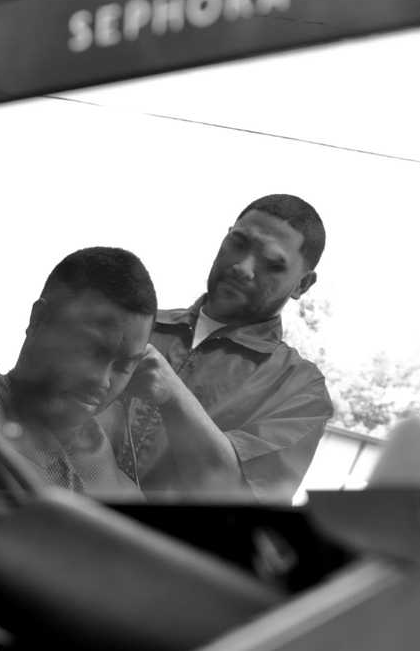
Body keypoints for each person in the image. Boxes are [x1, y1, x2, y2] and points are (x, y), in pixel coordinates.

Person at [0, 247, 241, 497]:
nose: (101, 380)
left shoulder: (126, 497)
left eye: (124, 365)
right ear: (39, 319)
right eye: (88, 351)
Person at [117, 194, 334, 500]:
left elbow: (241, 502)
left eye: (273, 264)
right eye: (239, 243)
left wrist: (173, 395)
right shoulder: (134, 324)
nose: (243, 267)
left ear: (302, 284)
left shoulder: (301, 390)